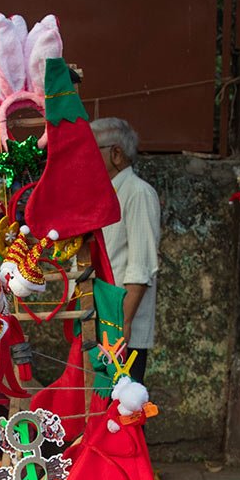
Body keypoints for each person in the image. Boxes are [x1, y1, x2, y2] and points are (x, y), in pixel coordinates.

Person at [90, 117, 160, 383]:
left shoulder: (138, 192)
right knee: (99, 409)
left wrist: (122, 324)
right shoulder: (103, 194)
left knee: (123, 409)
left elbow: (140, 267)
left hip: (120, 322)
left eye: (92, 151)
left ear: (116, 154)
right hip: (99, 317)